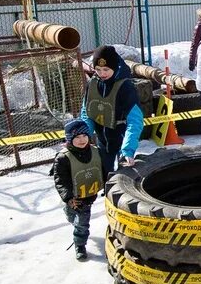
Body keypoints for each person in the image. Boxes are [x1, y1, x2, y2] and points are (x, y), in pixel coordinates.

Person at [80, 45, 144, 178]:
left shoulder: (125, 87)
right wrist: (82, 136)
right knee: (105, 175)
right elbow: (87, 112)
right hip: (103, 141)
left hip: (122, 140)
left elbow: (135, 120)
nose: (102, 73)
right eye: (98, 69)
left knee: (125, 178)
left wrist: (128, 149)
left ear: (114, 67)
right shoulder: (93, 84)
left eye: (106, 69)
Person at [51, 119, 105, 261]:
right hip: (74, 198)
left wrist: (107, 185)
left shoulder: (96, 151)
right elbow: (60, 181)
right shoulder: (63, 158)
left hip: (89, 195)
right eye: (77, 137)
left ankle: (79, 238)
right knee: (77, 221)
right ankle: (78, 240)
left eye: (84, 136)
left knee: (80, 222)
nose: (82, 140)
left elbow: (103, 170)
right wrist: (68, 198)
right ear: (70, 138)